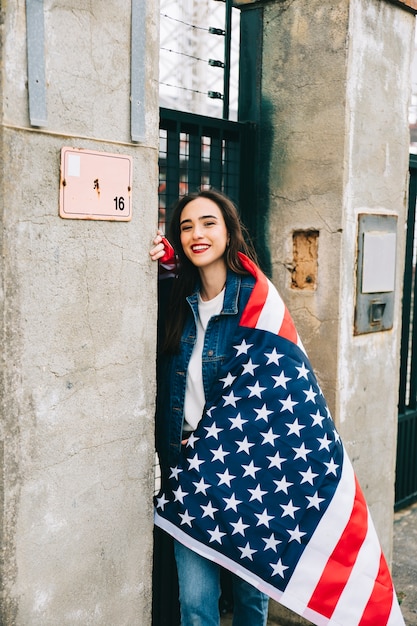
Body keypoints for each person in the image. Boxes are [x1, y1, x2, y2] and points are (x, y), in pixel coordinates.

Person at [150, 188, 270, 626]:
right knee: (196, 602)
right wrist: (155, 260)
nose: (196, 234)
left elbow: (275, 393)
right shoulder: (176, 299)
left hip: (248, 470)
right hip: (189, 471)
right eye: (186, 226)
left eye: (208, 223)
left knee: (249, 597)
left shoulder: (258, 303)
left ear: (228, 231)